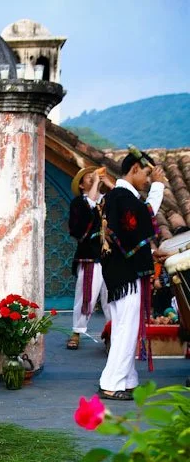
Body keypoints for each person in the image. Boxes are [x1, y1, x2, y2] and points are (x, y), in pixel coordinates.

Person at [98, 146, 166, 400]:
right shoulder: (123, 197)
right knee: (126, 328)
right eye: (146, 174)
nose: (147, 180)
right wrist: (158, 186)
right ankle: (111, 382)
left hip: (119, 274)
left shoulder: (118, 196)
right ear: (135, 169)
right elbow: (144, 218)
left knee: (124, 328)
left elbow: (130, 234)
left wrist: (151, 253)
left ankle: (126, 379)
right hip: (126, 275)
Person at [66, 165, 111, 350]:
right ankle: (77, 331)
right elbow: (81, 222)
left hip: (111, 257)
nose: (92, 177)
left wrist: (107, 183)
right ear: (81, 185)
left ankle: (112, 333)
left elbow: (126, 202)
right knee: (86, 296)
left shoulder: (107, 200)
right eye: (88, 177)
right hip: (90, 256)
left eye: (93, 175)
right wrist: (96, 182)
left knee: (112, 298)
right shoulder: (79, 203)